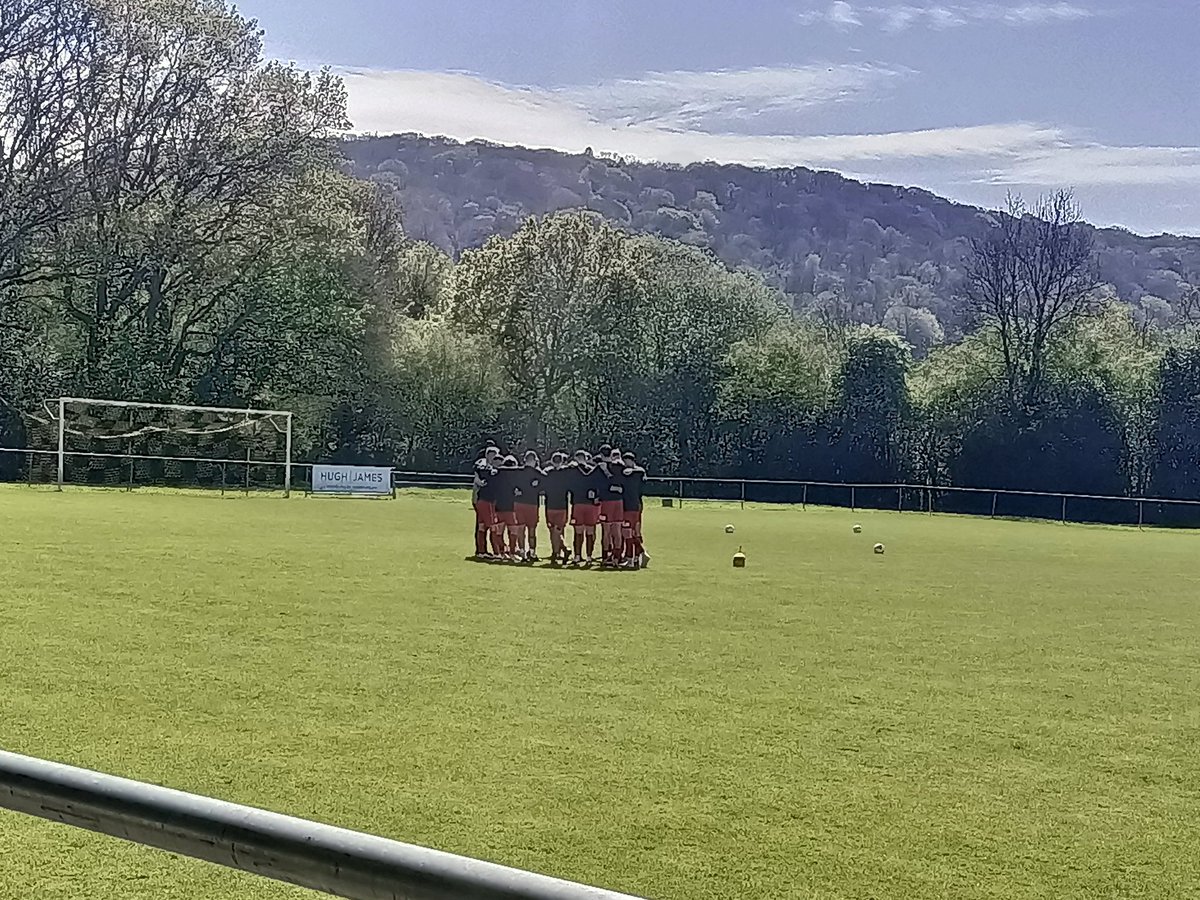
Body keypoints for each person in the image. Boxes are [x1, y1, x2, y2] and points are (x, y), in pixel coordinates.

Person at [569, 449, 602, 565]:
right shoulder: (592, 470)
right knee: (590, 531)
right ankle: (589, 557)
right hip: (590, 505)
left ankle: (577, 556)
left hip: (578, 503)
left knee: (578, 531)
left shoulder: (572, 471)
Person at [540, 452, 572, 565]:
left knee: (553, 530)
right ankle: (559, 551)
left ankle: (559, 551)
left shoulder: (548, 473)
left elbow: (542, 487)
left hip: (550, 506)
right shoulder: (566, 474)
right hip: (562, 506)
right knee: (558, 530)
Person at [597, 447, 627, 567]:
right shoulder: (620, 466)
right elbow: (623, 482)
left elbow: (596, 482)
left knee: (606, 531)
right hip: (618, 501)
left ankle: (605, 557)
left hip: (606, 502)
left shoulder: (601, 468)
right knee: (617, 530)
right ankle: (617, 557)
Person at [513, 450, 543, 562]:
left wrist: (515, 491)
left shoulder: (518, 472)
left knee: (521, 529)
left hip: (519, 503)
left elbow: (511, 484)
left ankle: (522, 552)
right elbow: (545, 482)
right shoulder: (538, 473)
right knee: (532, 529)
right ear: (535, 460)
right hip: (532, 504)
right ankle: (532, 552)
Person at [472, 446, 502, 559]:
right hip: (484, 500)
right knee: (491, 526)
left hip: (484, 500)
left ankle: (482, 551)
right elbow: (479, 475)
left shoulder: (487, 468)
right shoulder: (485, 467)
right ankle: (495, 552)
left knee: (482, 526)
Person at [620, 451, 648, 569]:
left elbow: (642, 474)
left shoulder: (638, 472)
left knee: (630, 532)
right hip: (627, 506)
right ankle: (637, 557)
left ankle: (635, 557)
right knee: (630, 532)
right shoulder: (622, 472)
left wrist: (631, 470)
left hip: (633, 506)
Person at [493, 455, 521, 561]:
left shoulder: (497, 475)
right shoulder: (515, 476)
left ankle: (502, 552)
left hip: (499, 507)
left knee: (499, 532)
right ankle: (512, 552)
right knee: (513, 531)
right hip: (511, 508)